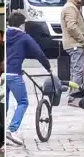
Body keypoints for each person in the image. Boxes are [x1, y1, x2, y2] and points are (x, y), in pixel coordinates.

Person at [6, 12, 51, 145]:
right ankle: (12, 130)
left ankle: (4, 133)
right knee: (23, 102)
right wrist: (48, 67)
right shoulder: (24, 37)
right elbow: (38, 52)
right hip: (14, 74)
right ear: (21, 24)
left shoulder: (4, 34)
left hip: (4, 75)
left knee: (6, 103)